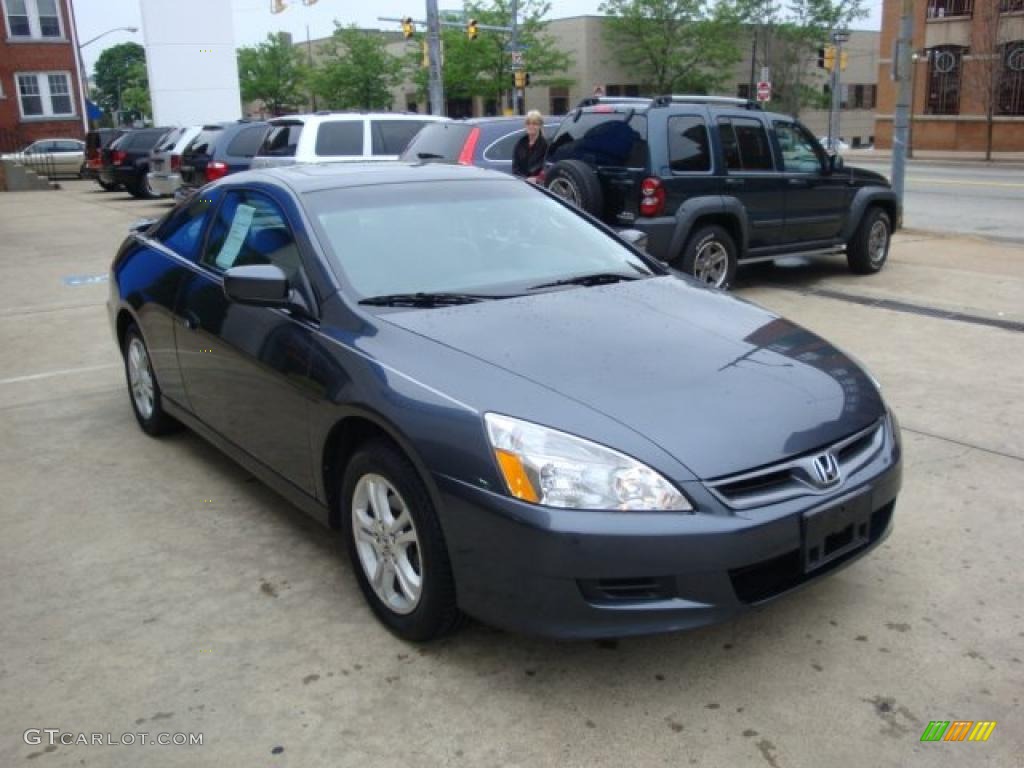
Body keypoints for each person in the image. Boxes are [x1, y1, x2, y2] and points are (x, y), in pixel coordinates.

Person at [512, 111, 548, 182]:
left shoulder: (545, 145)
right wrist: (524, 179)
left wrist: (537, 179)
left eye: (534, 124)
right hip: (522, 183)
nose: (531, 126)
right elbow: (515, 168)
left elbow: (547, 168)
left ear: (540, 126)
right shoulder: (519, 144)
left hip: (539, 185)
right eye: (528, 123)